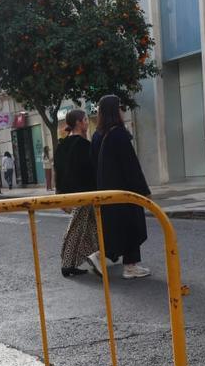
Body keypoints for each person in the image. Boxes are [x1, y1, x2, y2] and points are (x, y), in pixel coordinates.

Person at [90, 95, 151, 279]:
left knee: (117, 228)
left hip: (106, 191)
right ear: (114, 110)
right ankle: (126, 264)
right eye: (121, 107)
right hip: (125, 192)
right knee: (133, 226)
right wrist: (144, 190)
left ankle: (107, 257)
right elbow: (131, 165)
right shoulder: (119, 134)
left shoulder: (97, 135)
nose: (123, 111)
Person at [54, 109, 98, 277]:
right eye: (86, 120)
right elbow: (90, 172)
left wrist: (59, 194)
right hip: (84, 194)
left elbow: (58, 171)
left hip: (68, 194)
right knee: (77, 227)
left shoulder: (61, 146)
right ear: (79, 123)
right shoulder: (85, 146)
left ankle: (93, 257)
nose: (87, 122)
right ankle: (67, 263)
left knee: (91, 227)